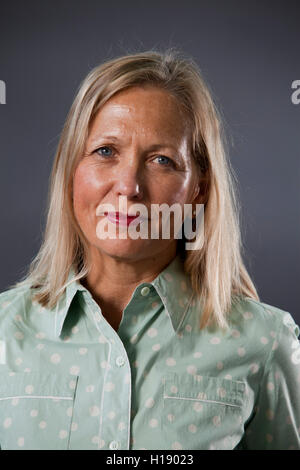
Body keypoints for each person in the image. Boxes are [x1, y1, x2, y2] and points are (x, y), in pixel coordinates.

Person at [0, 49, 299, 451]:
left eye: (161, 160)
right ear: (71, 170)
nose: (128, 186)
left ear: (199, 190)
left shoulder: (265, 343)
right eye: (105, 151)